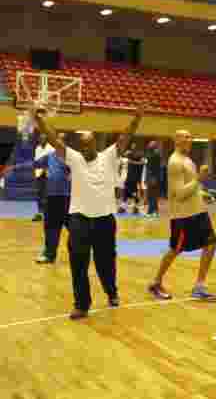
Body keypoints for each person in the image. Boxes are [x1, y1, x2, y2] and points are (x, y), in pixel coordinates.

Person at [32, 105, 144, 319]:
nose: (85, 149)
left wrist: (137, 118)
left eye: (88, 144)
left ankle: (111, 292)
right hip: (80, 219)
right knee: (78, 262)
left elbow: (125, 138)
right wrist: (40, 121)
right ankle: (82, 304)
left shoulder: (109, 156)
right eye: (82, 146)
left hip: (104, 220)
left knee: (106, 262)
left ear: (96, 144)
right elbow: (54, 139)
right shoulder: (74, 158)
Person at [147, 130, 216, 301]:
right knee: (175, 249)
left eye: (190, 136)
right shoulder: (174, 162)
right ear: (176, 140)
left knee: (211, 244)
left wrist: (202, 193)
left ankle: (199, 286)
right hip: (183, 215)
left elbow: (192, 187)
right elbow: (179, 194)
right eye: (185, 137)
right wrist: (200, 179)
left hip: (198, 212)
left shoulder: (188, 160)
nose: (190, 139)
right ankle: (156, 283)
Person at [9, 134, 71, 263]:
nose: (58, 141)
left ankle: (90, 249)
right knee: (50, 228)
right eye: (57, 138)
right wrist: (15, 167)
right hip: (51, 198)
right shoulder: (50, 157)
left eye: (62, 139)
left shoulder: (71, 157)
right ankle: (49, 255)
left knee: (76, 228)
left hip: (67, 198)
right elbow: (35, 164)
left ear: (65, 143)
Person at [33, 137, 52, 221]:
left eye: (43, 139)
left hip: (48, 175)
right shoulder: (37, 148)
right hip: (38, 174)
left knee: (46, 195)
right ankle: (39, 214)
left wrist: (44, 169)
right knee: (39, 194)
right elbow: (36, 161)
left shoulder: (51, 149)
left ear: (46, 140)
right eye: (40, 139)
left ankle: (47, 214)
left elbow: (50, 162)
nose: (41, 140)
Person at [122, 144, 145, 214]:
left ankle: (135, 207)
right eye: (132, 146)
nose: (132, 147)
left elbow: (143, 162)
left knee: (133, 191)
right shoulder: (129, 154)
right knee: (126, 190)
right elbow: (124, 154)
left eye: (134, 146)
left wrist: (133, 162)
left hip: (134, 177)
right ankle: (124, 207)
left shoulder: (139, 155)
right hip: (129, 176)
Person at [143, 141, 162, 218]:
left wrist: (154, 177)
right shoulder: (151, 153)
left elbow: (155, 168)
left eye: (150, 144)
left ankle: (150, 212)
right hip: (150, 176)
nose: (148, 145)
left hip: (153, 176)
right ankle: (155, 211)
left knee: (152, 195)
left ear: (154, 145)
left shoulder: (155, 154)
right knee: (152, 194)